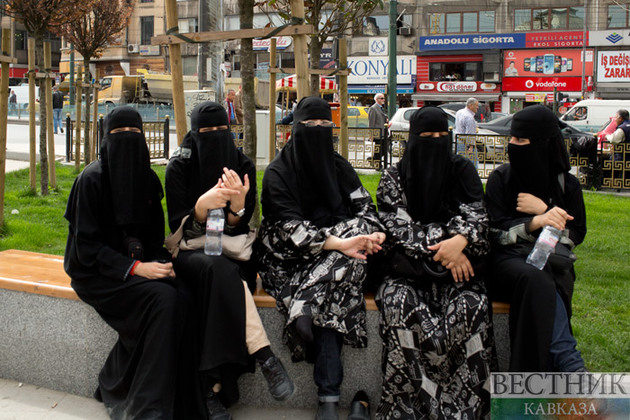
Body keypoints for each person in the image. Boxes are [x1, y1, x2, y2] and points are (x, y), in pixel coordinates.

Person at [257, 97, 386, 420]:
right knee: (338, 284)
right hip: (289, 261)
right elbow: (290, 230)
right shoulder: (278, 173)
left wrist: (372, 235)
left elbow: (367, 210)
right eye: (310, 125)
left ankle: (328, 400)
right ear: (295, 129)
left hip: (338, 260)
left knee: (340, 269)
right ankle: (328, 398)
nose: (318, 131)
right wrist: (341, 242)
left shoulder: (339, 166)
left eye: (325, 125)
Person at [165, 101, 294, 420]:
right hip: (191, 254)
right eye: (206, 131)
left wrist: (236, 207)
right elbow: (176, 227)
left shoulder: (242, 165)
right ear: (194, 134)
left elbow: (240, 223)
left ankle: (212, 391)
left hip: (232, 251)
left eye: (220, 130)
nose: (214, 136)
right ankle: (263, 354)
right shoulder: (179, 166)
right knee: (221, 273)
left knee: (223, 278)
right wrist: (201, 207)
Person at [64, 107, 190, 419]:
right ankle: (147, 406)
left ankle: (116, 380)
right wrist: (135, 269)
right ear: (105, 139)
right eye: (119, 134)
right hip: (94, 274)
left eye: (134, 133)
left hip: (137, 267)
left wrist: (162, 264)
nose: (128, 140)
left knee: (182, 293)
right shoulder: (91, 180)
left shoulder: (147, 181)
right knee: (164, 302)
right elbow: (86, 248)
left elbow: (153, 239)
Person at [375, 106, 493, 419]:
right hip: (410, 273)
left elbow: (479, 216)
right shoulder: (394, 176)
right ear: (413, 139)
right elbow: (395, 228)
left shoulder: (462, 170)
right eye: (427, 136)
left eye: (442, 135)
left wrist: (461, 242)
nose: (436, 142)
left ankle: (466, 408)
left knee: (472, 306)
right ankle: (408, 407)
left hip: (459, 273)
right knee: (398, 303)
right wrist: (453, 243)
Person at [485, 105, 587, 372]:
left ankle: (563, 365)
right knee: (537, 276)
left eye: (521, 140)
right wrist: (536, 222)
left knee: (546, 276)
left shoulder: (567, 185)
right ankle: (570, 363)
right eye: (511, 138)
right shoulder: (501, 179)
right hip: (507, 264)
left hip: (552, 262)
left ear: (543, 143)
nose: (512, 145)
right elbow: (494, 232)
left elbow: (576, 234)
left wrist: (544, 210)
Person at [455, 97, 479, 165]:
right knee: (472, 165)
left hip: (459, 140)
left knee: (461, 163)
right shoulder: (469, 117)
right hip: (466, 144)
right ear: (470, 105)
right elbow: (470, 133)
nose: (477, 107)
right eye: (476, 105)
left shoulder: (459, 112)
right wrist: (471, 147)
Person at [368, 93, 388, 168]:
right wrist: (371, 134)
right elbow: (371, 122)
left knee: (383, 150)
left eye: (383, 98)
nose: (383, 100)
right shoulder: (373, 108)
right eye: (381, 98)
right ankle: (378, 165)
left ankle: (373, 160)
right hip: (377, 133)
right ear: (377, 99)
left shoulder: (382, 108)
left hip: (383, 133)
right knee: (378, 151)